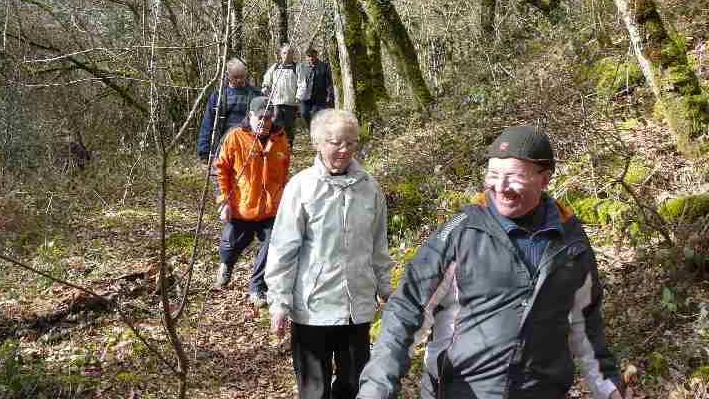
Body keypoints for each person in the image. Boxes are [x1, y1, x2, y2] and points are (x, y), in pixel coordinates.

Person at [357, 125, 630, 399]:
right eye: (493, 174)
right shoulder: (461, 231)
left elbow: (586, 324)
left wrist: (609, 388)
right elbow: (406, 309)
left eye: (514, 176)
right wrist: (376, 387)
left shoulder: (570, 240)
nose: (500, 187)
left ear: (544, 179)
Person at [266, 109, 392, 399]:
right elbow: (284, 250)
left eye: (351, 142)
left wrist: (385, 287)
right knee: (315, 391)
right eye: (336, 142)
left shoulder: (369, 188)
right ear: (318, 143)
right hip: (313, 308)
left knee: (354, 386)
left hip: (356, 308)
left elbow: (378, 246)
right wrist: (279, 303)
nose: (344, 150)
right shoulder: (301, 187)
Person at [214, 96, 290, 307]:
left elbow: (284, 171)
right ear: (250, 116)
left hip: (271, 208)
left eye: (269, 118)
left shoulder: (280, 138)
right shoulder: (234, 136)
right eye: (260, 117)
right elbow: (219, 170)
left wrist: (284, 198)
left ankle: (257, 288)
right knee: (230, 245)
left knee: (273, 245)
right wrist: (223, 202)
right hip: (241, 206)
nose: (265, 122)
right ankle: (226, 264)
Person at [197, 58, 259, 162]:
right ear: (227, 75)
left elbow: (265, 121)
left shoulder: (255, 94)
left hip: (248, 145)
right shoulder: (218, 96)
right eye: (235, 77)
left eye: (242, 76)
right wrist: (204, 150)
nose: (239, 80)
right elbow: (207, 123)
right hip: (223, 145)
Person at [261, 42, 300, 148]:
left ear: (293, 54)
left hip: (291, 103)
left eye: (290, 53)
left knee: (289, 126)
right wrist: (265, 87)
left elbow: (302, 83)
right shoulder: (275, 67)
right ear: (281, 54)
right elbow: (267, 79)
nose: (287, 55)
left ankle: (288, 146)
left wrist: (299, 97)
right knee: (275, 124)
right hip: (276, 102)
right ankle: (274, 146)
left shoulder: (297, 68)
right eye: (285, 53)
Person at [297, 48, 334, 128]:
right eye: (309, 56)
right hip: (305, 96)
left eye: (312, 56)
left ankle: (317, 130)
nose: (311, 58)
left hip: (319, 97)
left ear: (316, 56)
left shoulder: (324, 66)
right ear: (306, 57)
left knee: (315, 115)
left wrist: (329, 95)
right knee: (304, 114)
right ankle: (311, 130)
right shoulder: (302, 67)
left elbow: (329, 83)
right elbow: (298, 81)